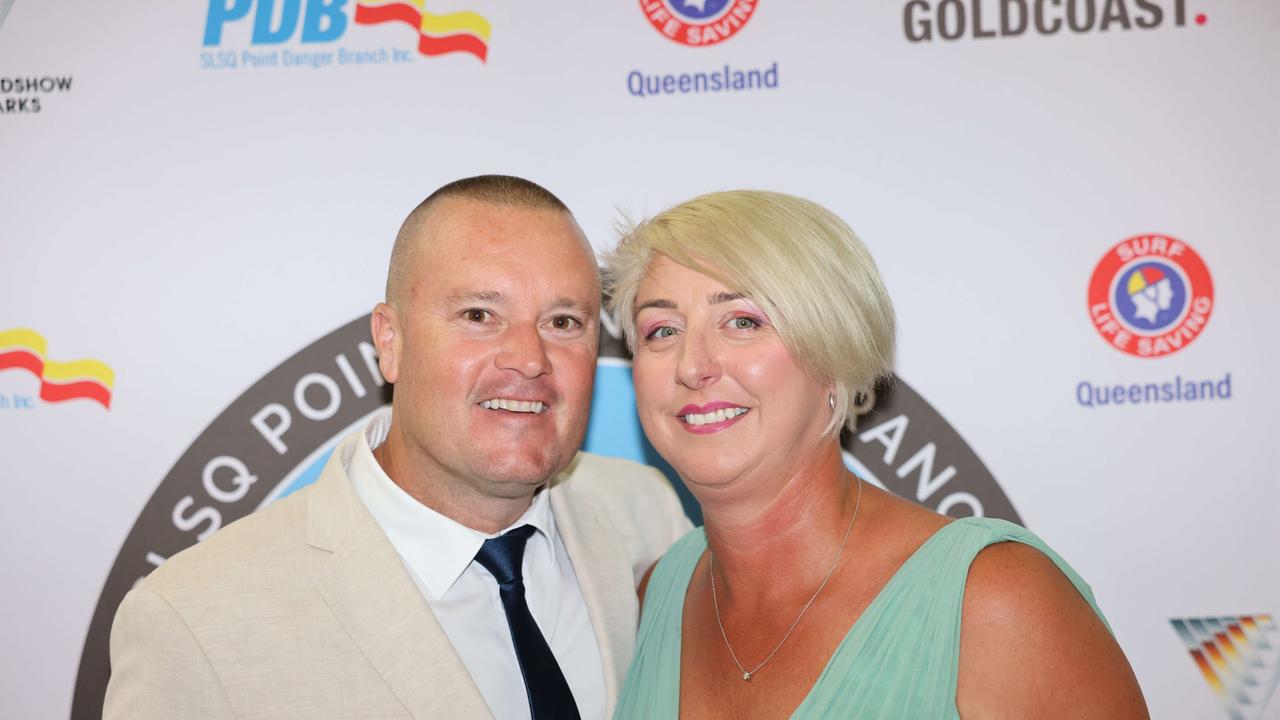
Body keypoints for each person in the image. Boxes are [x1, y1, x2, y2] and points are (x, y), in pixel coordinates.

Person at [104, 175, 691, 720]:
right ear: (391, 342)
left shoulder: (645, 517)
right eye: (479, 315)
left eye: (563, 322)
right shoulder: (194, 619)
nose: (529, 359)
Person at [604, 190, 1149, 718]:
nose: (692, 365)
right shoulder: (661, 591)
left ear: (834, 358)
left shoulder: (993, 597)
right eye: (662, 330)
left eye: (743, 322)